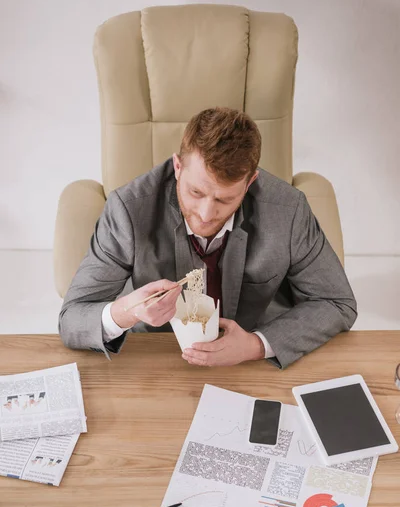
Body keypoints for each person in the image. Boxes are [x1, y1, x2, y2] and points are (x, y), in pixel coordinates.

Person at [59, 107, 357, 369]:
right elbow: (72, 319)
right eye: (195, 192)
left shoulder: (288, 211)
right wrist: (127, 311)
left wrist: (255, 346)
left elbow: (337, 302)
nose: (205, 214)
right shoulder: (128, 209)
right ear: (178, 167)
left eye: (225, 199)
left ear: (250, 182)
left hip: (249, 361)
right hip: (159, 357)